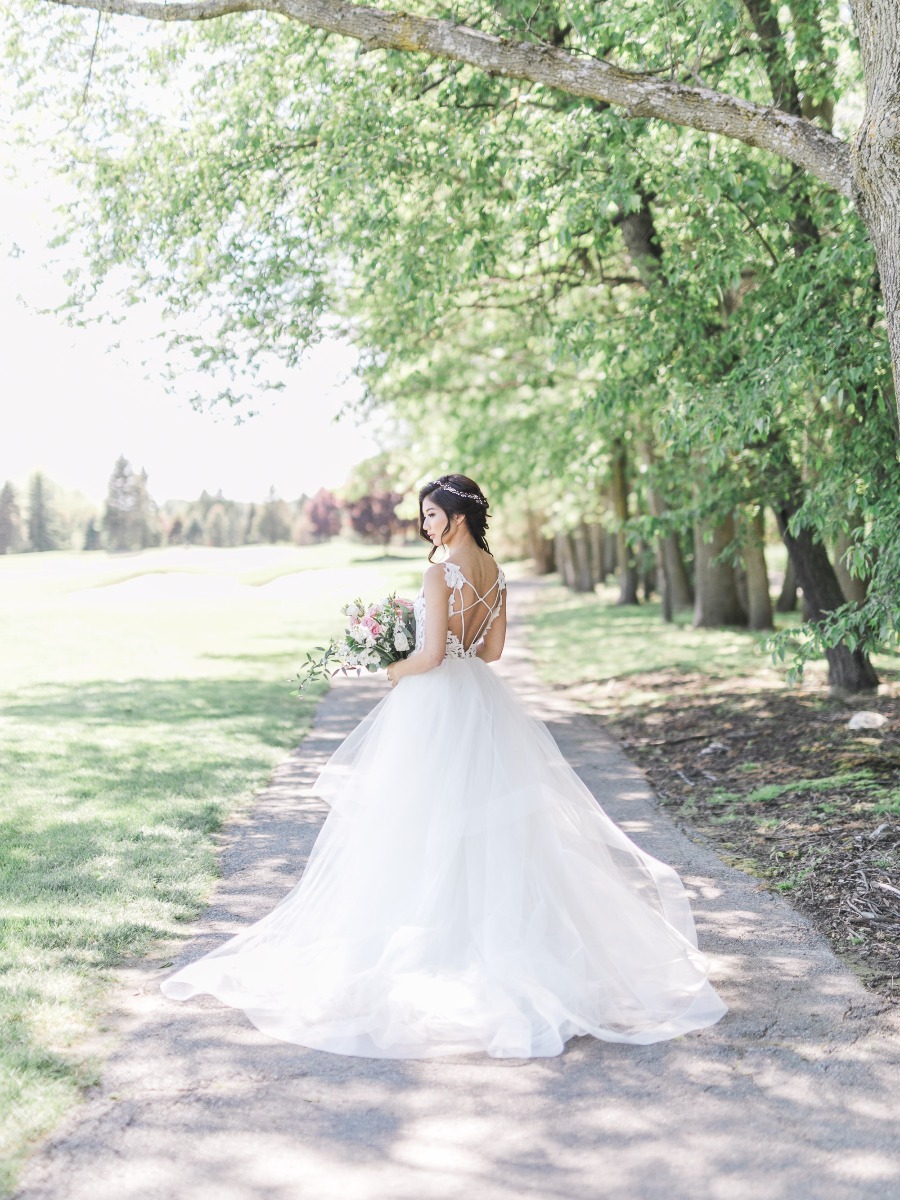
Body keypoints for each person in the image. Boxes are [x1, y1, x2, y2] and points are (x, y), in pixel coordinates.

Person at [161, 474, 727, 1057]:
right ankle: (497, 943)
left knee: (416, 820)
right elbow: (493, 651)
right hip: (480, 700)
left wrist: (393, 667)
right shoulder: (496, 574)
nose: (425, 525)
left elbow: (430, 656)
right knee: (488, 822)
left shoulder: (439, 572)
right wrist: (438, 643)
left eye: (431, 515)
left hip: (434, 705)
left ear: (455, 518)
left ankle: (431, 947)